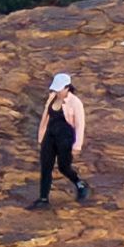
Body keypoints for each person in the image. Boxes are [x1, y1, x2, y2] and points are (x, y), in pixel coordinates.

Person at [32, 72, 88, 208]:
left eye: (59, 89)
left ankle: (80, 184)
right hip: (50, 137)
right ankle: (43, 199)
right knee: (46, 167)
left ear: (67, 88)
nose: (57, 92)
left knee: (64, 167)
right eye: (55, 89)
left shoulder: (75, 103)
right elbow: (45, 117)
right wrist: (41, 136)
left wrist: (77, 146)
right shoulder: (52, 97)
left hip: (65, 139)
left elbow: (80, 125)